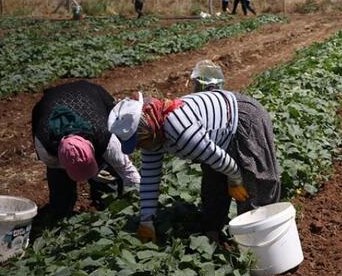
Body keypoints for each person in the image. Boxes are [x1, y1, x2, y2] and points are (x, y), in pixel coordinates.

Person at [108, 89, 281, 242]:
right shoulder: (151, 138)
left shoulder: (180, 129)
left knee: (254, 184)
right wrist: (146, 221)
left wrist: (235, 180)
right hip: (215, 138)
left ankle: (261, 240)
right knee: (213, 187)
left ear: (148, 129)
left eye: (139, 142)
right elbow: (149, 179)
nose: (139, 148)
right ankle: (213, 238)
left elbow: (221, 159)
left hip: (242, 118)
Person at [31, 80, 140, 224]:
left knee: (106, 174)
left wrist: (139, 199)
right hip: (49, 103)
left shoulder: (106, 136)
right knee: (60, 181)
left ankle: (107, 206)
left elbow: (127, 169)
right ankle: (61, 216)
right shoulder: (45, 145)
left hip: (92, 94)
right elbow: (58, 166)